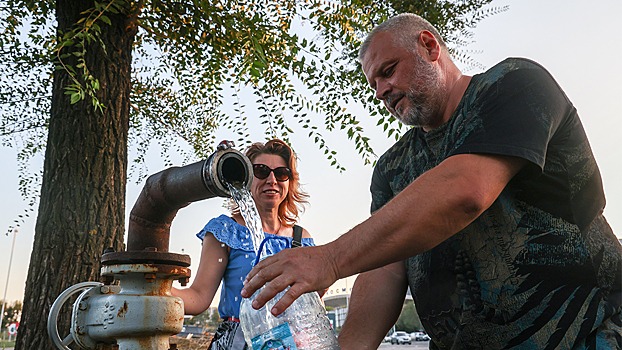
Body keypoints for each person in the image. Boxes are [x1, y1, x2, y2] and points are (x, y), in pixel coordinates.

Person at [240, 13, 622, 349]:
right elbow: (385, 269)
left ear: (428, 46)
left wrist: (330, 259)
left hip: (589, 333)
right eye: (374, 84)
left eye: (388, 71)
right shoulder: (392, 168)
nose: (381, 92)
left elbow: (466, 189)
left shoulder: (514, 85)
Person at [173, 139, 315, 349]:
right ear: (247, 179)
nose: (272, 180)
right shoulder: (225, 231)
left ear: (289, 181)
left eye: (281, 173)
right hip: (239, 342)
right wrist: (154, 289)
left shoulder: (301, 237)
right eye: (261, 171)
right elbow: (199, 297)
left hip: (293, 342)